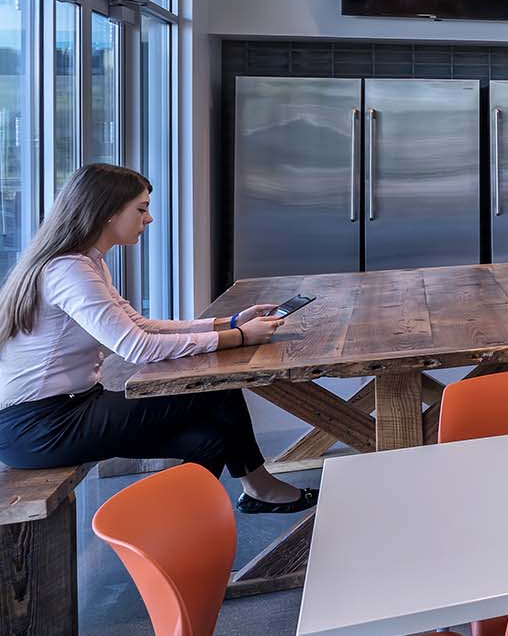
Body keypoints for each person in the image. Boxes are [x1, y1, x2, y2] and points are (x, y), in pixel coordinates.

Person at [0, 164, 313, 512]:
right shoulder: (69, 271)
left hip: (70, 408)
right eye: (141, 208)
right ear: (107, 211)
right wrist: (238, 338)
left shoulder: (86, 264)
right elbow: (137, 347)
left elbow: (140, 325)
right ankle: (259, 489)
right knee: (217, 390)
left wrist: (231, 323)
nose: (148, 219)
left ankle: (175, 540)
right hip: (40, 426)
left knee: (207, 441)